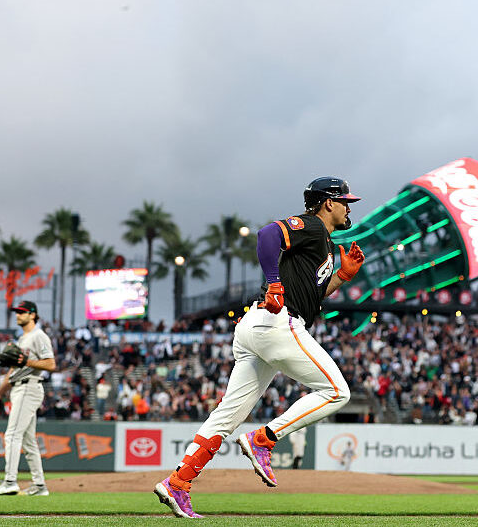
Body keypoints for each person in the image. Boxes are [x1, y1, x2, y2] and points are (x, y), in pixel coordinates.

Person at [154, 176, 365, 519]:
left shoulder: (322, 241)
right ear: (328, 202)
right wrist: (273, 282)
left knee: (227, 417)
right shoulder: (311, 226)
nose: (348, 207)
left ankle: (178, 482)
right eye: (345, 201)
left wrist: (340, 278)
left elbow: (311, 294)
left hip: (258, 327)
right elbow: (267, 235)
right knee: (337, 392)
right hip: (278, 322)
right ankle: (264, 439)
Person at [0, 301, 56, 496]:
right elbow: (13, 371)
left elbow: (50, 364)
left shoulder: (38, 336)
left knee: (12, 434)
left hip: (29, 387)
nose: (18, 315)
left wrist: (27, 361)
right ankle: (40, 485)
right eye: (17, 312)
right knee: (27, 440)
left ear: (33, 315)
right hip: (18, 387)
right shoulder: (22, 339)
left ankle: (9, 481)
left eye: (22, 312)